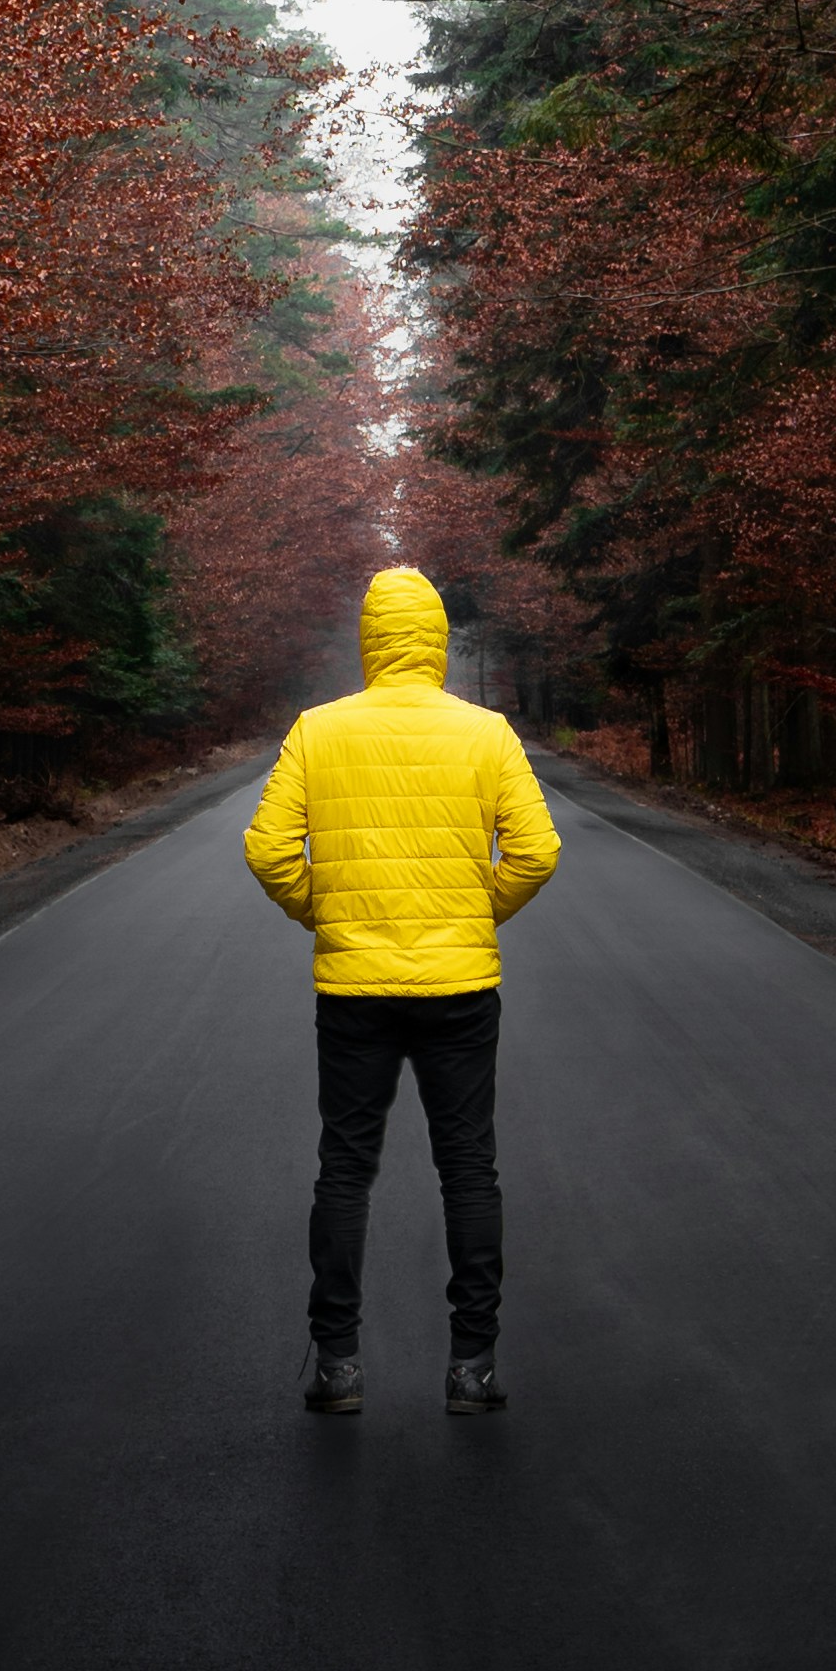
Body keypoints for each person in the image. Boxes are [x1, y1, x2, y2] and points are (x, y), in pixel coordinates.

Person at [243, 564, 561, 1418]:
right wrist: (470, 911)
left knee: (344, 1169)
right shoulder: (486, 734)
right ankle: (472, 1369)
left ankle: (338, 1368)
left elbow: (268, 850)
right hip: (460, 984)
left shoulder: (318, 731)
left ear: (370, 640)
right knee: (468, 1168)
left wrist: (331, 914)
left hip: (353, 987)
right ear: (438, 641)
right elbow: (536, 852)